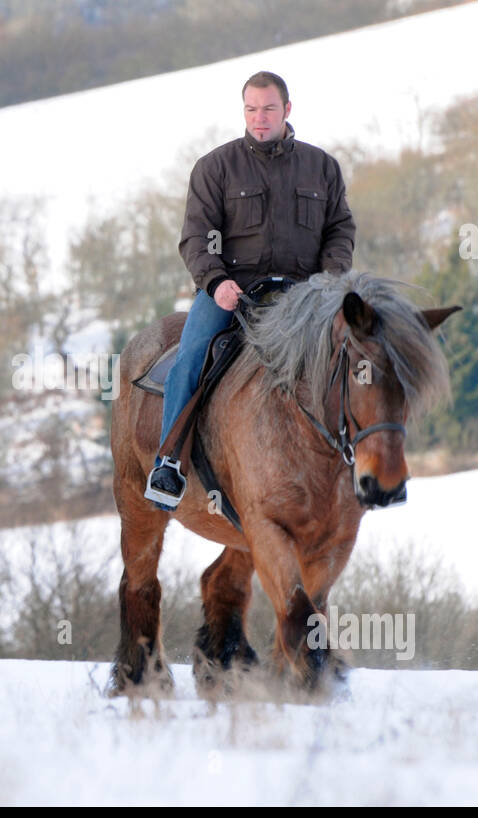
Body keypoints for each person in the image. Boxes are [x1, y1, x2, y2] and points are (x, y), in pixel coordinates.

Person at [145, 71, 356, 508]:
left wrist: (330, 279)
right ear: (244, 111)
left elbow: (340, 228)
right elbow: (196, 237)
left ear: (287, 111)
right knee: (191, 355)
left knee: (355, 352)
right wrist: (216, 282)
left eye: (269, 109)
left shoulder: (322, 168)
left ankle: (359, 455)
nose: (260, 118)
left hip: (303, 297)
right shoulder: (215, 168)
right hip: (232, 293)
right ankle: (169, 463)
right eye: (252, 109)